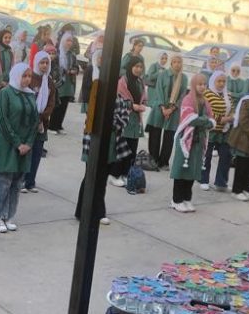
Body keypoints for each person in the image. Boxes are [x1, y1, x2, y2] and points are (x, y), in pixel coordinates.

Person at [0, 63, 39, 233]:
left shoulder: (30, 95)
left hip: (25, 146)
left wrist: (28, 143)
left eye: (29, 76)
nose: (27, 79)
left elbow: (34, 122)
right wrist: (18, 143)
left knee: (16, 183)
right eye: (24, 76)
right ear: (16, 75)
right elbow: (3, 121)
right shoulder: (5, 93)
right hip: (7, 144)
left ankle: (9, 215)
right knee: (3, 182)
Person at [75, 96, 133, 226]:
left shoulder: (119, 100)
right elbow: (94, 119)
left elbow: (124, 121)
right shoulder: (96, 96)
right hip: (93, 144)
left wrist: (110, 117)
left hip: (111, 146)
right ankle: (88, 211)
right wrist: (111, 118)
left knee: (102, 180)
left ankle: (95, 211)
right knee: (90, 178)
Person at [169, 73, 215, 213]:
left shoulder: (205, 101)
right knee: (181, 170)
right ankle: (176, 200)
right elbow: (190, 119)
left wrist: (203, 120)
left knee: (192, 171)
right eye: (199, 84)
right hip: (186, 140)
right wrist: (204, 120)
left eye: (204, 84)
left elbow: (212, 120)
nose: (202, 87)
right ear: (194, 85)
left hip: (198, 141)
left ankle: (186, 199)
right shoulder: (188, 99)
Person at [108, 56, 146, 187]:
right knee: (122, 148)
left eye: (140, 67)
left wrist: (142, 105)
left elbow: (143, 98)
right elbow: (118, 99)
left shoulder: (140, 82)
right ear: (130, 67)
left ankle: (125, 174)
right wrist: (132, 105)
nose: (138, 69)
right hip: (124, 118)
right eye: (136, 66)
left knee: (132, 149)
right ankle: (114, 175)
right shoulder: (123, 81)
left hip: (135, 120)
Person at [145, 52, 186, 172]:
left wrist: (172, 108)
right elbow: (158, 90)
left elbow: (182, 95)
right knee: (155, 133)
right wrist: (163, 108)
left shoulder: (183, 78)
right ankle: (153, 160)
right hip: (160, 106)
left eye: (179, 62)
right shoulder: (163, 74)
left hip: (174, 109)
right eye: (175, 62)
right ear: (171, 63)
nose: (177, 64)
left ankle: (163, 162)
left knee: (169, 136)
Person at [22, 51, 56, 193]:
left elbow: (51, 103)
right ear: (36, 63)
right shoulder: (30, 77)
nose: (44, 65)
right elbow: (25, 99)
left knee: (37, 152)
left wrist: (42, 118)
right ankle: (22, 181)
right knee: (26, 152)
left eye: (47, 63)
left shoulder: (49, 82)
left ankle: (31, 182)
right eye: (42, 62)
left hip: (42, 124)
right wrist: (34, 118)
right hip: (28, 122)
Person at [199, 71, 234, 191]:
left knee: (226, 155)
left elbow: (232, 109)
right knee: (207, 155)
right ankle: (203, 179)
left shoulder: (227, 95)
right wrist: (220, 119)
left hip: (224, 131)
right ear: (213, 81)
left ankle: (221, 182)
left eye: (224, 81)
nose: (221, 84)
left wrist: (230, 117)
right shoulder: (207, 94)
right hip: (210, 130)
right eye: (219, 81)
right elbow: (206, 111)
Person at [48, 33, 78, 135]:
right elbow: (53, 67)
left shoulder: (72, 54)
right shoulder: (58, 53)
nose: (69, 43)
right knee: (57, 104)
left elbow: (76, 66)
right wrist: (65, 71)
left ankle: (59, 125)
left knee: (64, 105)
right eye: (67, 40)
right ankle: (52, 126)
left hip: (68, 83)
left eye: (71, 41)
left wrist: (74, 70)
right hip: (58, 83)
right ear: (63, 41)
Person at [78, 49, 101, 114]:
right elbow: (86, 84)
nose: (101, 60)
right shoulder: (90, 69)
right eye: (100, 58)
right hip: (89, 98)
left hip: (97, 98)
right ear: (95, 58)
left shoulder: (102, 69)